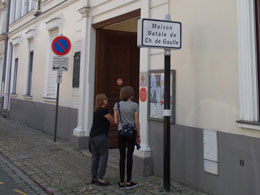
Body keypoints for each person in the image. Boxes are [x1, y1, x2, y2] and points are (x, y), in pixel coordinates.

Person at [113, 86, 141, 190]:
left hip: (121, 132)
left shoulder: (117, 104)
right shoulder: (135, 105)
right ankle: (129, 182)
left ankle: (121, 182)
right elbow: (137, 122)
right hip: (131, 133)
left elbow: (115, 121)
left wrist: (121, 121)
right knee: (129, 156)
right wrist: (138, 135)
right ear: (131, 94)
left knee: (122, 156)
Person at [89, 94, 114, 186]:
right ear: (102, 101)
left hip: (93, 136)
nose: (107, 100)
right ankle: (100, 178)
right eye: (105, 99)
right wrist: (116, 113)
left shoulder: (96, 111)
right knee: (103, 156)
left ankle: (94, 177)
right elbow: (113, 121)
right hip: (100, 136)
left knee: (95, 157)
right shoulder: (103, 111)